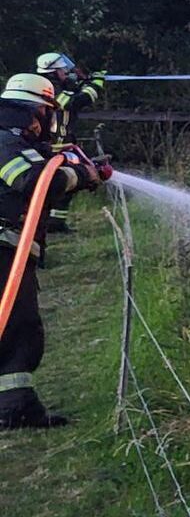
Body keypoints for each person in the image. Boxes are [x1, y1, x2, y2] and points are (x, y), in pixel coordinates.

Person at [0, 73, 110, 429]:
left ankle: (15, 404)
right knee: (18, 325)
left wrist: (82, 168)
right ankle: (15, 408)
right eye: (45, 113)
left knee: (19, 324)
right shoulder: (6, 142)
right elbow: (34, 181)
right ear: (34, 111)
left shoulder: (16, 139)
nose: (46, 122)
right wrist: (81, 175)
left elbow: (47, 168)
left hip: (12, 248)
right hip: (5, 249)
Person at [34, 54, 106, 235]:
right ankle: (47, 224)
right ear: (55, 71)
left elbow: (74, 91)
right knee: (68, 181)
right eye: (64, 70)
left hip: (61, 146)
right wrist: (96, 82)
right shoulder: (52, 90)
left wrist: (83, 81)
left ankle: (56, 223)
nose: (68, 73)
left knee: (68, 184)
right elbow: (82, 99)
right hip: (54, 148)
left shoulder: (52, 86)